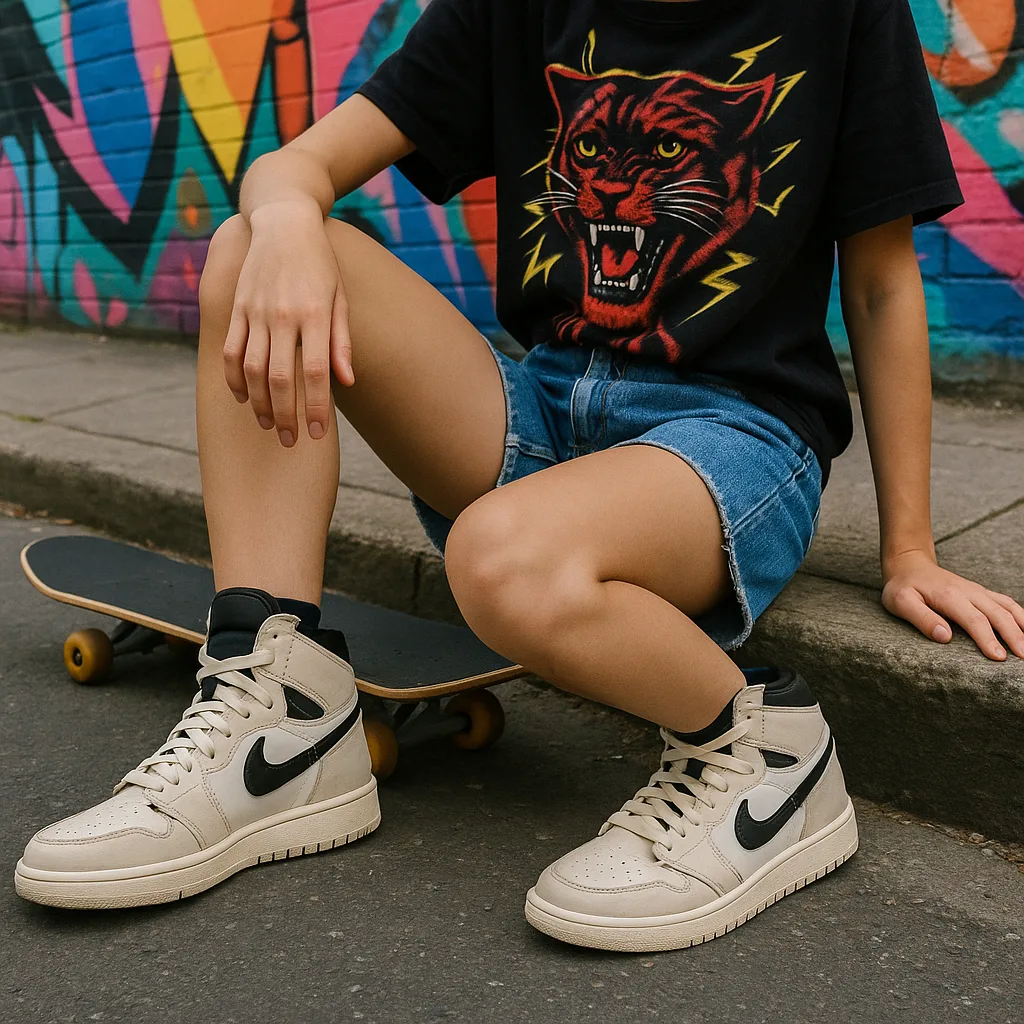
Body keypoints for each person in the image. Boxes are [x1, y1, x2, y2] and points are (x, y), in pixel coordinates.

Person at [15, 0, 1024, 952]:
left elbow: (884, 280)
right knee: (248, 251)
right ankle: (281, 705)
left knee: (495, 558)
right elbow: (299, 166)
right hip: (544, 409)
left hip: (734, 439)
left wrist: (908, 551)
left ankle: (764, 748)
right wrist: (283, 221)